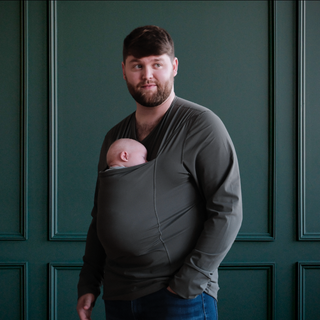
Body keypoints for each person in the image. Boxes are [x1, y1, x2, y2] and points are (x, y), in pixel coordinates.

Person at [77, 25, 242, 320]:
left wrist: (188, 282)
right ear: (124, 70)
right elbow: (100, 215)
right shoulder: (115, 137)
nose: (147, 75)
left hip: (179, 297)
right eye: (137, 66)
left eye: (157, 64)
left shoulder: (201, 125)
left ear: (174, 66)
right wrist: (89, 281)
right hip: (119, 296)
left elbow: (228, 210)